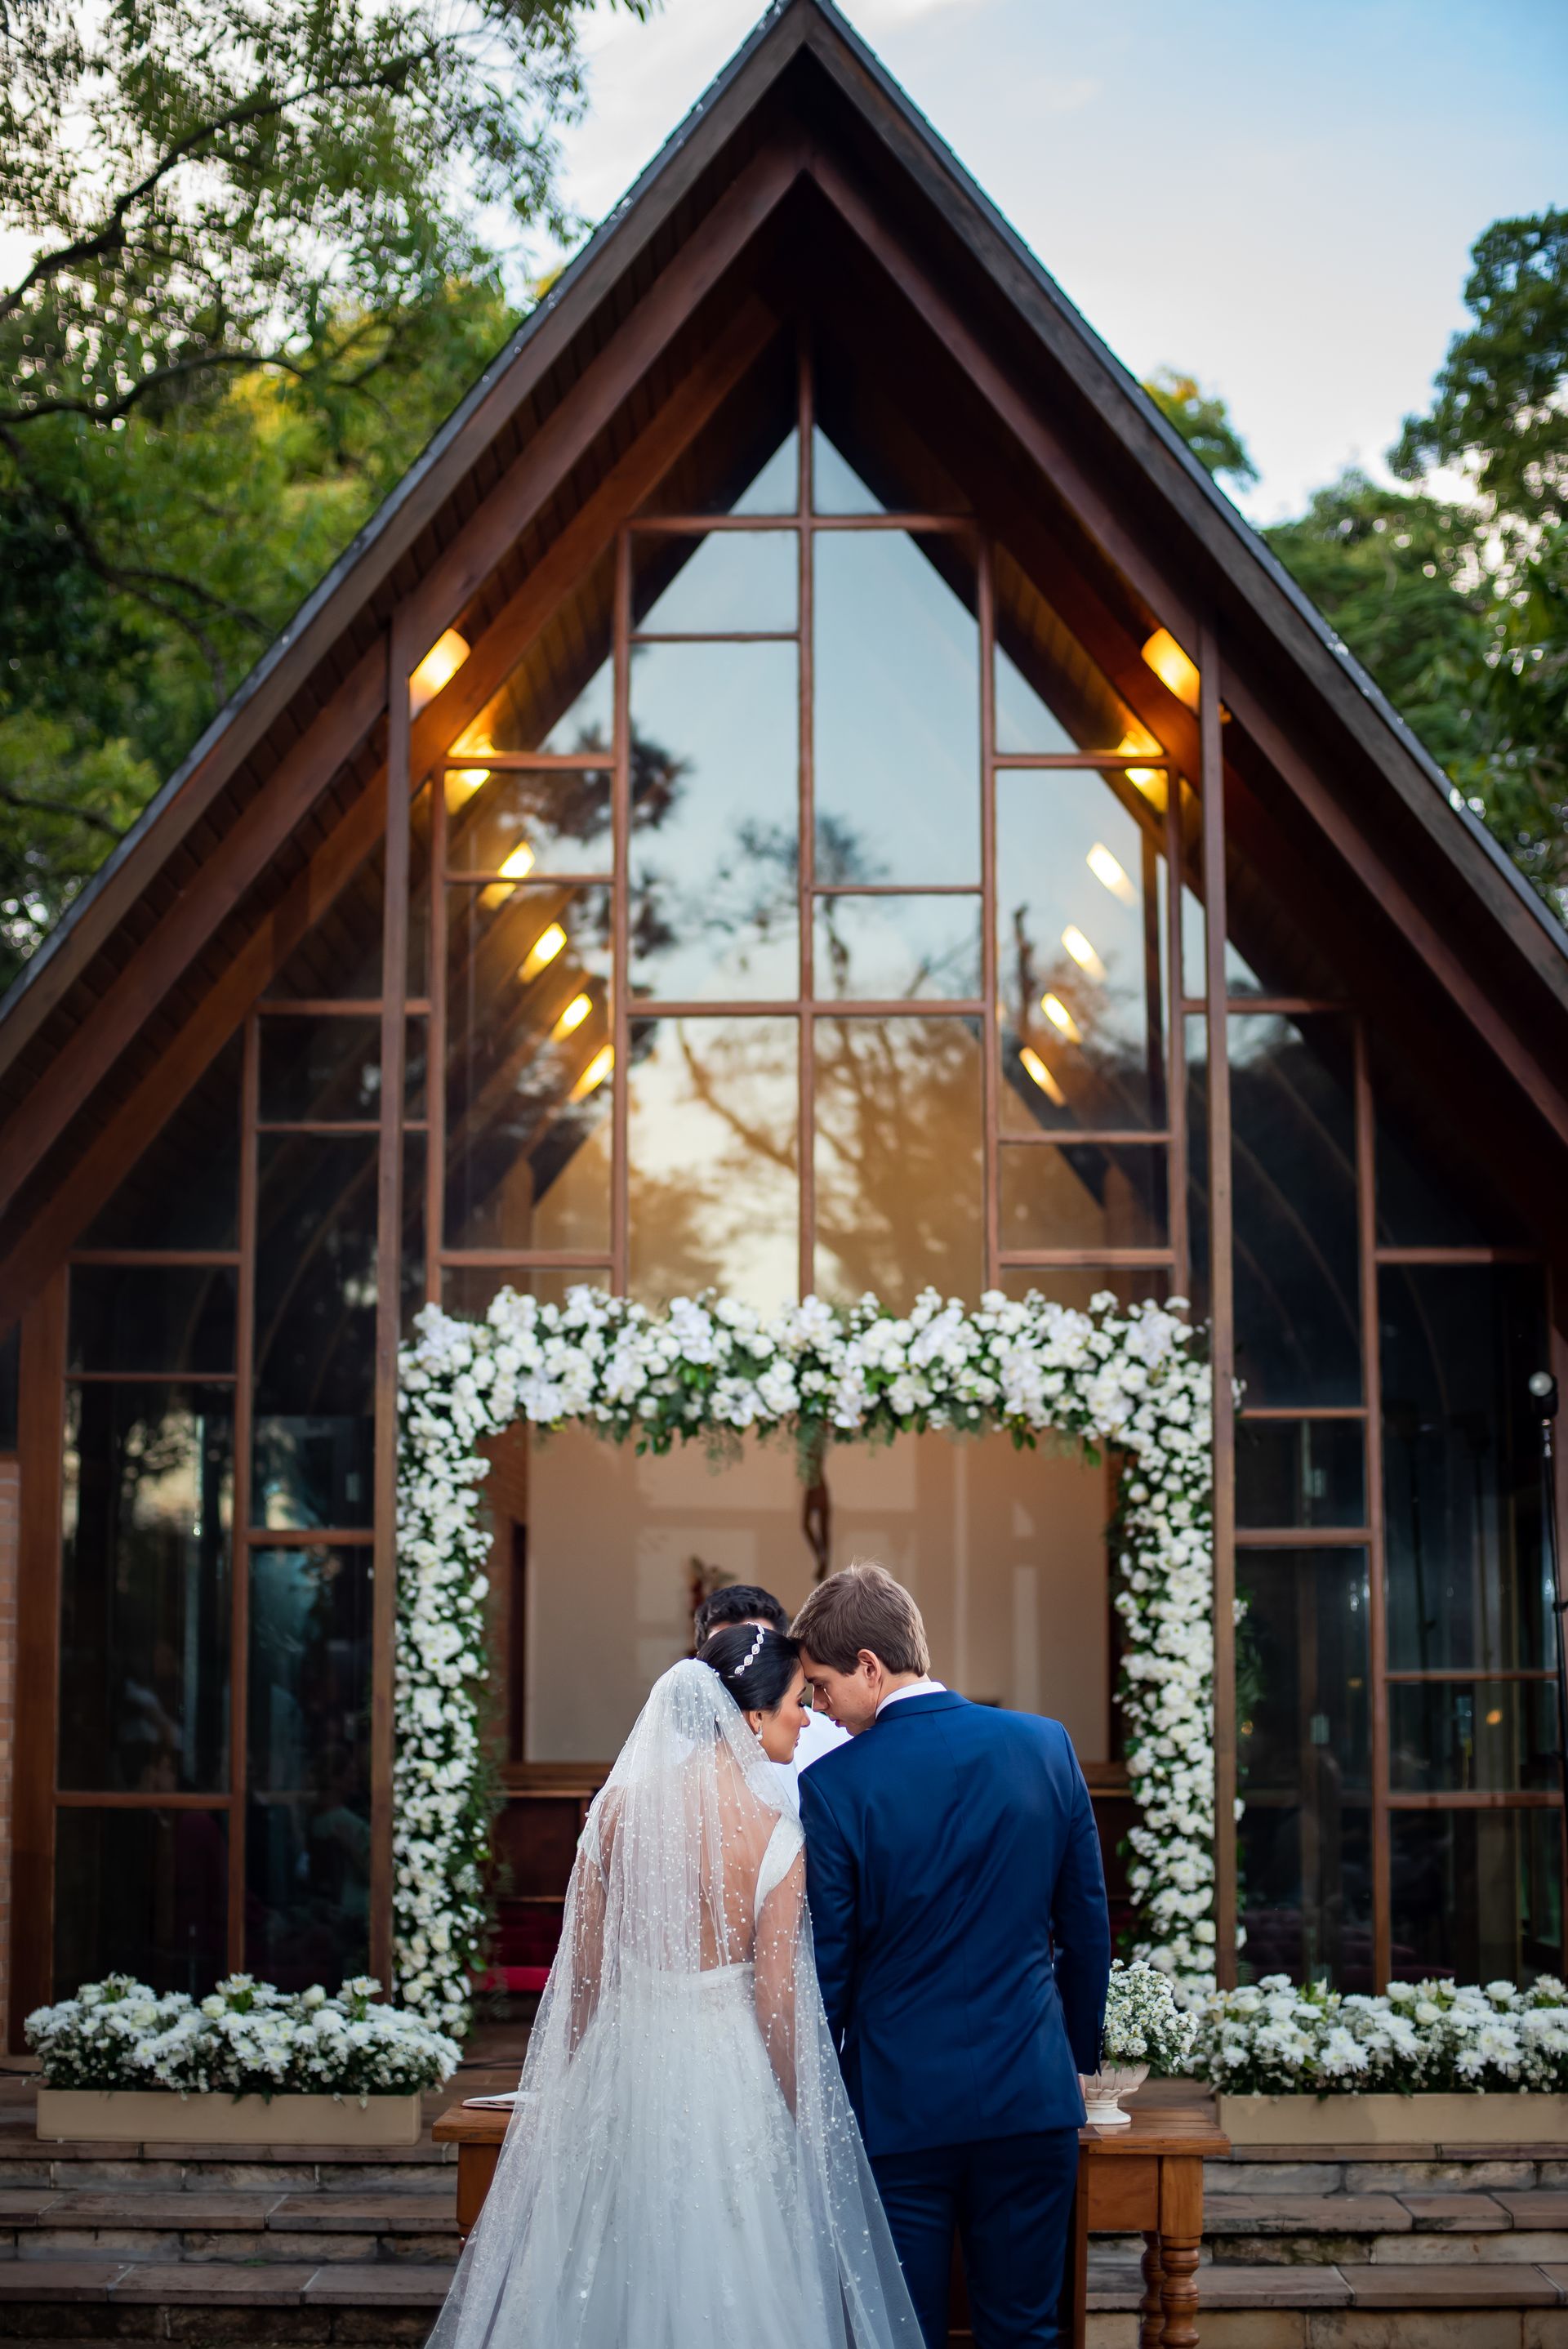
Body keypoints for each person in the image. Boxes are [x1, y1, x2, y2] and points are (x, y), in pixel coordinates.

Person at [423, 1622, 921, 2349]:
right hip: (733, 2081)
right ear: (751, 1716)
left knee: (602, 2262)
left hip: (623, 2068)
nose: (805, 1715)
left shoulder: (615, 1814)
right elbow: (776, 2001)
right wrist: (798, 2108)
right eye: (793, 1701)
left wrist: (567, 2085)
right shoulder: (779, 1834)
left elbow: (585, 1978)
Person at [793, 1562, 1111, 2349]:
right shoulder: (1045, 1745)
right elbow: (1087, 1924)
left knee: (901, 2334)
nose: (818, 1709)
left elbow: (828, 1969)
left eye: (823, 1686)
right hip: (1031, 2096)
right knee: (1026, 2331)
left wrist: (819, 2096)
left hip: (900, 2109)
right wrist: (1074, 2061)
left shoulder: (834, 1786)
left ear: (870, 1667)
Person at [695, 1580, 851, 1799]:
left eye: (760, 1660)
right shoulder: (668, 1754)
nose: (745, 1680)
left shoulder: (833, 1743)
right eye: (726, 1652)